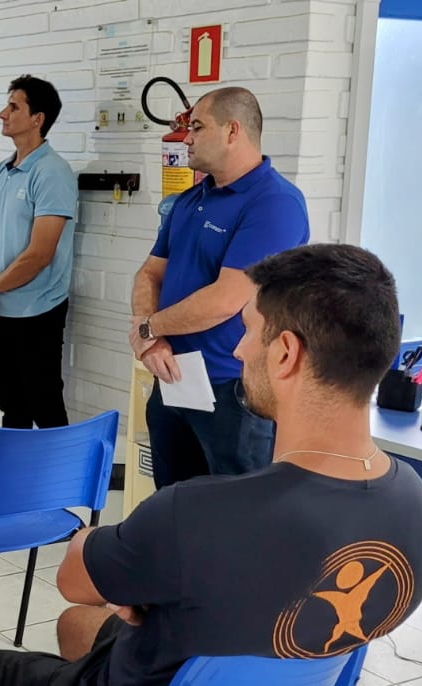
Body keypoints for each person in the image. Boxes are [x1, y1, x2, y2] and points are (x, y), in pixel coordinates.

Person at [0, 243, 422, 686]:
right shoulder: (411, 502)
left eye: (249, 330)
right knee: (75, 625)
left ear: (285, 353)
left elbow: (74, 577)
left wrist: (122, 559)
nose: (238, 351)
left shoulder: (199, 513)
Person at [129, 86, 310, 489]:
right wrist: (151, 338)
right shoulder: (190, 200)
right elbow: (149, 275)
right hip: (174, 379)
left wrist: (149, 328)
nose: (187, 138)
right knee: (173, 508)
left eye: (196, 127)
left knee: (238, 521)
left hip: (234, 392)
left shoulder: (274, 203)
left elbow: (225, 300)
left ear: (232, 131)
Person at [0, 75, 78, 430]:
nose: (3, 113)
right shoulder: (2, 171)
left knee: (45, 407)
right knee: (12, 409)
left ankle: (56, 485)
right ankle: (17, 482)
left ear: (38, 118)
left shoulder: (53, 173)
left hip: (37, 313)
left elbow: (39, 255)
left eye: (14, 106)